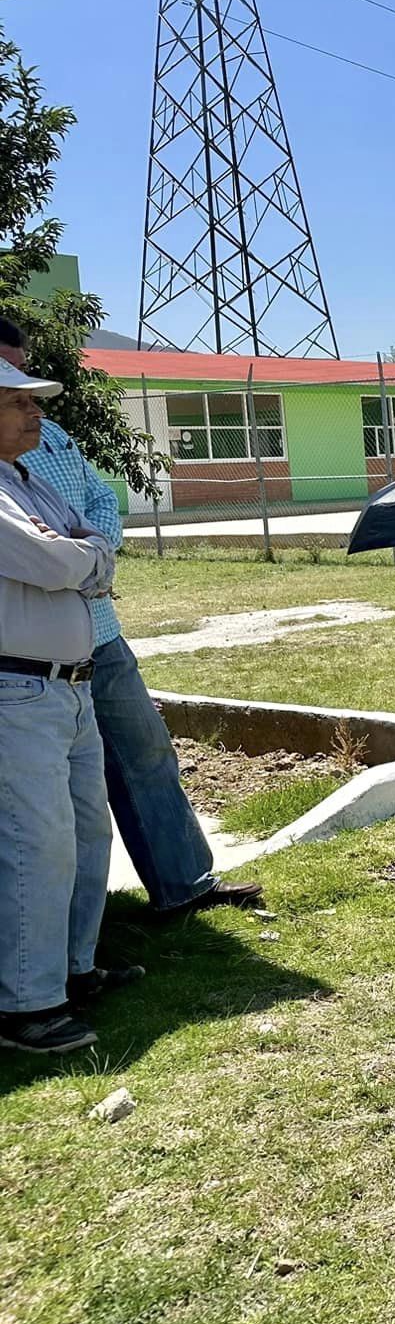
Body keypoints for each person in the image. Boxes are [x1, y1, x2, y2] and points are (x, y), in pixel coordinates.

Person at [0, 319, 261, 922]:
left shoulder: (52, 435)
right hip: (30, 649)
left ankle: (184, 882)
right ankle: (57, 946)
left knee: (145, 754)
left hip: (97, 631)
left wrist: (92, 558)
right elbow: (45, 553)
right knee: (50, 806)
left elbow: (96, 504)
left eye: (22, 372)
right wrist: (81, 557)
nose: (25, 395)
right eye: (8, 378)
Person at [0, 357, 123, 1055]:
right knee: (34, 844)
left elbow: (89, 543)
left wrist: (79, 555)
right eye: (18, 404)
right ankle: (27, 1006)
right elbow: (53, 565)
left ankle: (74, 970)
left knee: (83, 832)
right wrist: (77, 559)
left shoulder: (27, 481)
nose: (35, 414)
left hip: (69, 685)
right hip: (19, 689)